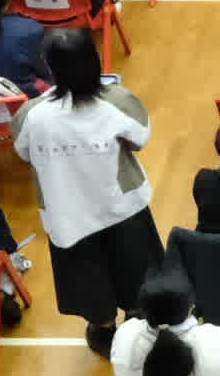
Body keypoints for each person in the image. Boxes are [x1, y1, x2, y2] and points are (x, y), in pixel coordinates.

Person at [14, 29, 157, 341]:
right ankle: (138, 322)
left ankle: (103, 329)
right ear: (94, 59)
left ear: (50, 67)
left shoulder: (31, 114)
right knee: (134, 269)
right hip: (122, 208)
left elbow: (23, 151)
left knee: (86, 279)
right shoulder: (119, 101)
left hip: (66, 215)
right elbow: (140, 139)